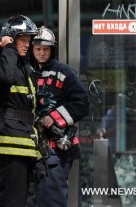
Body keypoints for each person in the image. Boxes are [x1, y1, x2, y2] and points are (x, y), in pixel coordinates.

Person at [0, 14, 41, 207]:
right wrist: (7, 48)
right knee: (10, 203)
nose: (27, 45)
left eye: (28, 41)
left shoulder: (24, 67)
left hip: (23, 145)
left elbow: (28, 109)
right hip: (8, 147)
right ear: (9, 38)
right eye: (22, 40)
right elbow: (5, 78)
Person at [31, 26, 90, 207]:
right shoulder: (25, 72)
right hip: (29, 148)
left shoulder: (64, 72)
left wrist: (54, 118)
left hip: (56, 147)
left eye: (46, 49)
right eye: (38, 49)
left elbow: (82, 104)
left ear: (52, 50)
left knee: (52, 199)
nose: (41, 53)